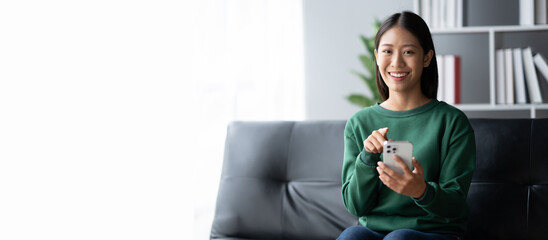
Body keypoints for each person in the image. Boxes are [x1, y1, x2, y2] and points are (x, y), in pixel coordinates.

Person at [338, 11, 475, 240]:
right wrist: (367, 158)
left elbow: (455, 205)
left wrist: (421, 191)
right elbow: (355, 206)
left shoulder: (452, 122)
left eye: (408, 52)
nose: (397, 63)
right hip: (375, 231)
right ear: (376, 57)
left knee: (399, 238)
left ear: (427, 58)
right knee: (352, 236)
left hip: (435, 232)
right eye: (387, 51)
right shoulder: (359, 123)